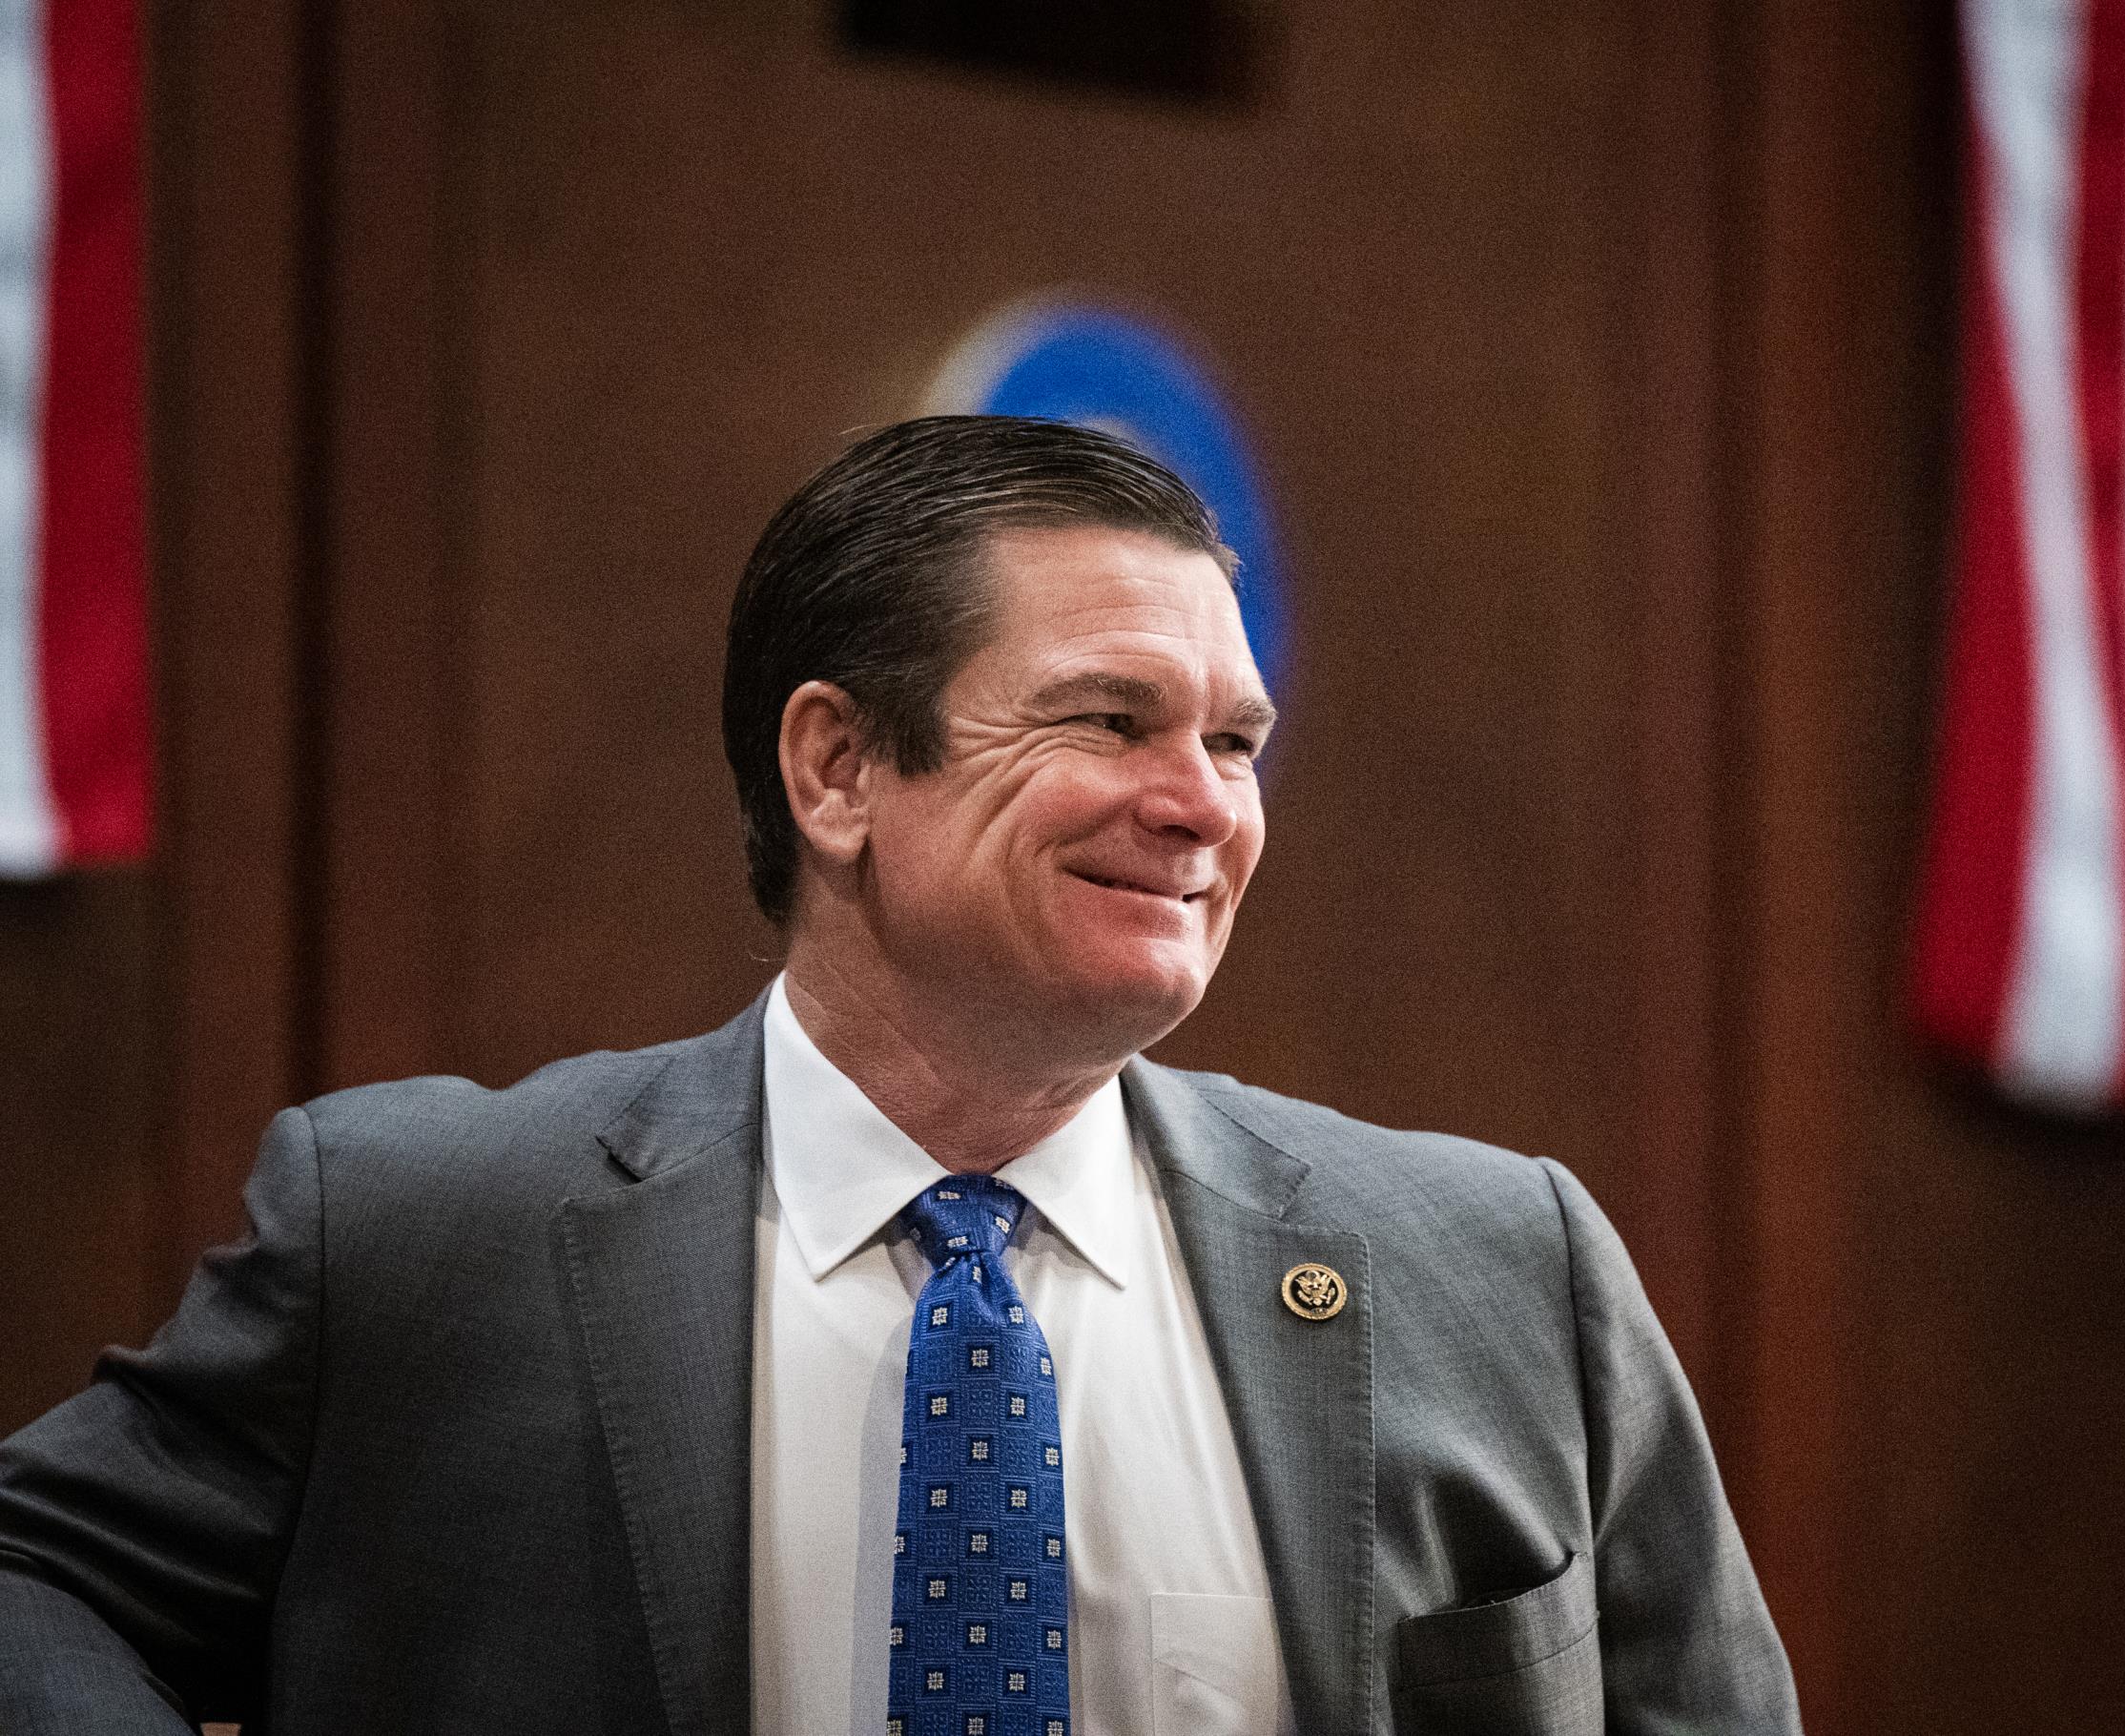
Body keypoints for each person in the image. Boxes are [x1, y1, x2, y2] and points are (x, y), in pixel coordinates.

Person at [0, 416, 1800, 1735]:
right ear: (839, 770)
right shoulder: (420, 1234)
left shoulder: (1502, 1267)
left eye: (1236, 741)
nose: (1201, 806)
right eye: (1110, 719)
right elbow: (39, 1578)